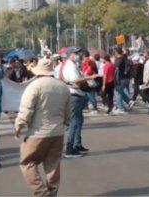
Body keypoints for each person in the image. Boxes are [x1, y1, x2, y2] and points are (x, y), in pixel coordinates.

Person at [15, 58, 71, 196]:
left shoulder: (34, 86)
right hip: (57, 132)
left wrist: (19, 125)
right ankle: (52, 193)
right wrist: (66, 122)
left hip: (38, 132)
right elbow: (68, 110)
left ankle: (41, 193)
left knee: (27, 162)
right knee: (53, 166)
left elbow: (26, 109)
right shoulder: (63, 86)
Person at [58, 51, 97, 158]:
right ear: (70, 55)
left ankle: (77, 144)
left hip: (77, 95)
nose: (78, 56)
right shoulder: (69, 66)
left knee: (78, 120)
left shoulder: (70, 65)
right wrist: (89, 78)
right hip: (74, 95)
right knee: (74, 122)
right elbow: (75, 80)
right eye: (76, 53)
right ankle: (70, 149)